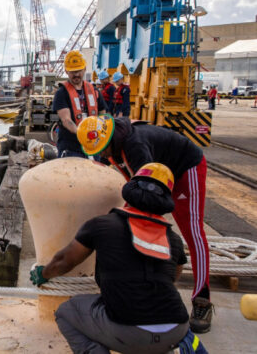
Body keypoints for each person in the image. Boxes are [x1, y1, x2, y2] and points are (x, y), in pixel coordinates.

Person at [31, 162, 194, 354]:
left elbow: (65, 260)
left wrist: (45, 273)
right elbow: (173, 276)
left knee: (66, 312)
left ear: (130, 190)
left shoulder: (102, 225)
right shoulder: (173, 239)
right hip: (177, 330)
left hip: (129, 333)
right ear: (165, 200)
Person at [77, 115, 214, 333]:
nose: (101, 155)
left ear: (110, 139)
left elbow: (147, 196)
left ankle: (202, 300)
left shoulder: (135, 147)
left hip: (186, 169)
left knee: (193, 231)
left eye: (102, 149)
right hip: (159, 174)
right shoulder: (113, 147)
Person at [52, 50, 107, 158]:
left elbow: (103, 114)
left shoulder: (94, 91)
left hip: (93, 146)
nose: (76, 74)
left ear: (84, 69)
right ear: (66, 71)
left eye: (79, 71)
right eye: (73, 72)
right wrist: (82, 134)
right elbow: (66, 120)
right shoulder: (61, 93)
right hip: (71, 147)